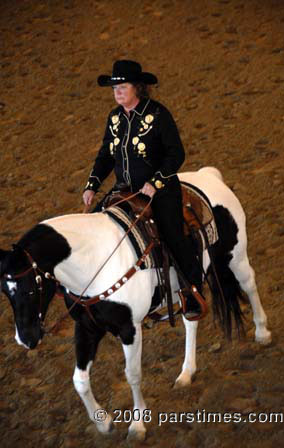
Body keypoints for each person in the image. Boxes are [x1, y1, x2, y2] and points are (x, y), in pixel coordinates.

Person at [83, 60, 203, 319]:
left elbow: (176, 153)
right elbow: (106, 155)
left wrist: (156, 182)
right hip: (124, 190)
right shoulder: (114, 118)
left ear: (137, 88)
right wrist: (92, 184)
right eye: (115, 87)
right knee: (96, 224)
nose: (117, 92)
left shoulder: (158, 114)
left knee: (173, 235)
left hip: (159, 191)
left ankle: (193, 291)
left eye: (123, 86)